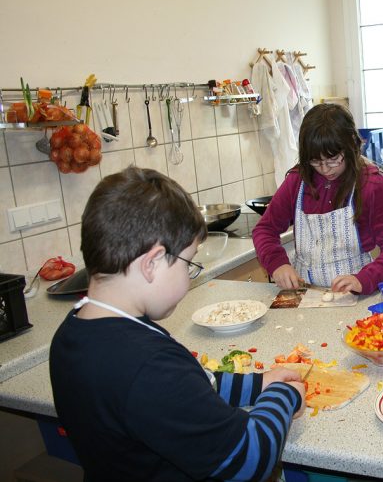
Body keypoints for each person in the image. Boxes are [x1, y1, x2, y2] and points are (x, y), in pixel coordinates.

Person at [49, 166, 306, 482]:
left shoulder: (75, 330)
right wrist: (283, 393)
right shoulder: (147, 365)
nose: (188, 279)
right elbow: (248, 458)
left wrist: (258, 383)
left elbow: (192, 387)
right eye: (189, 264)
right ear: (152, 263)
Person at [253, 103, 383, 294]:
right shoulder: (298, 180)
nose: (325, 169)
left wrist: (365, 279)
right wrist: (277, 264)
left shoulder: (370, 184)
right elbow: (264, 229)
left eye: (333, 160)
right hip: (304, 292)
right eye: (316, 161)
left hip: (355, 293)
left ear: (351, 145)